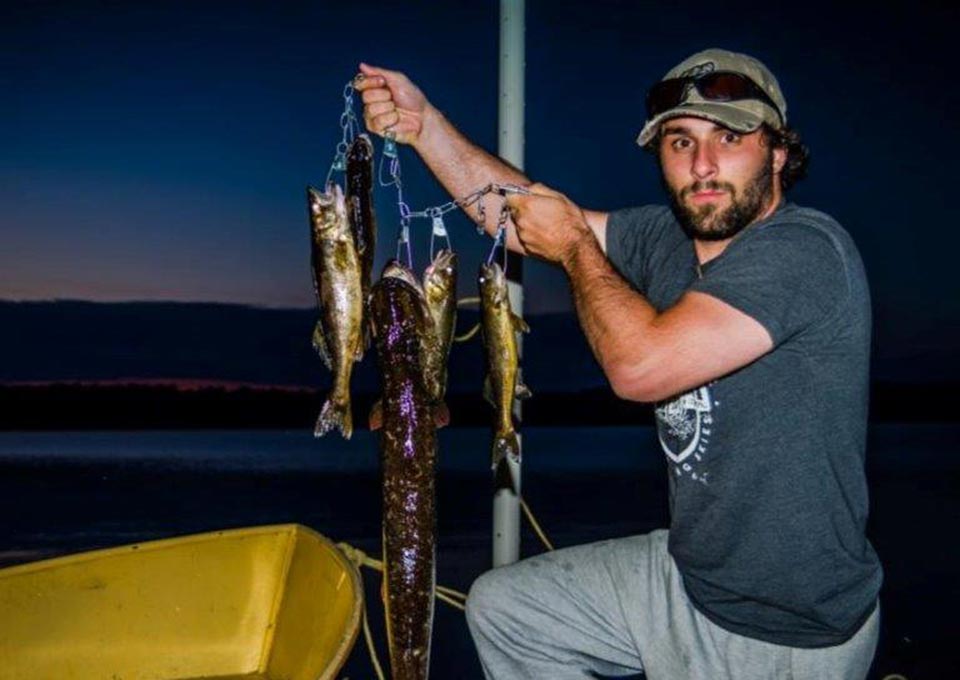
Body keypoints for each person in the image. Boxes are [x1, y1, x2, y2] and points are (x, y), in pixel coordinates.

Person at [356, 48, 882, 680]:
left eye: (730, 138)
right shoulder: (665, 239)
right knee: (505, 610)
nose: (703, 164)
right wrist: (426, 128)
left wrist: (577, 247)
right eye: (681, 142)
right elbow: (522, 220)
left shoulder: (806, 250)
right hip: (690, 576)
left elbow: (639, 368)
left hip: (786, 631)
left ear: (777, 153)